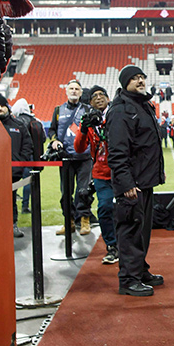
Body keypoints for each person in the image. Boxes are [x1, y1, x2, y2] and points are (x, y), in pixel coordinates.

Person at [107, 65, 166, 297]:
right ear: (125, 83)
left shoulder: (141, 105)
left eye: (142, 77)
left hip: (145, 180)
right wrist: (126, 183)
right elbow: (118, 152)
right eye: (134, 78)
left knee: (142, 229)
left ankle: (139, 270)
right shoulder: (122, 110)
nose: (140, 81)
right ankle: (128, 280)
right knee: (130, 230)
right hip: (132, 183)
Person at [75, 87, 119, 265]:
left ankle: (129, 243)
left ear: (109, 99)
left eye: (102, 95)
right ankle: (112, 246)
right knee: (104, 208)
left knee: (128, 209)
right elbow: (78, 148)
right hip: (101, 173)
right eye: (95, 96)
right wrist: (84, 129)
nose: (99, 98)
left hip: (121, 170)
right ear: (90, 102)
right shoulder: (89, 121)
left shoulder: (116, 116)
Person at [49, 80, 94, 236]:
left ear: (81, 93)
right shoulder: (58, 110)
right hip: (66, 158)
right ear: (66, 91)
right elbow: (52, 130)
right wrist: (54, 140)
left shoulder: (88, 109)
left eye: (77, 89)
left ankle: (85, 221)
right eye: (71, 88)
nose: (74, 91)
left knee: (84, 191)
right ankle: (69, 223)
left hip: (84, 158)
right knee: (65, 193)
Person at [0, 95, 33, 238]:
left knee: (11, 199)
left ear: (8, 107)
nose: (0, 109)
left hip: (13, 171)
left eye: (2, 106)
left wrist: (20, 161)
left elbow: (28, 145)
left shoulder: (18, 125)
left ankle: (13, 225)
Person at [12, 98, 44, 214]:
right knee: (28, 181)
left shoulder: (16, 122)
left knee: (14, 182)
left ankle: (14, 207)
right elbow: (43, 138)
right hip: (33, 157)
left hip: (18, 157)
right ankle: (26, 205)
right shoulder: (36, 122)